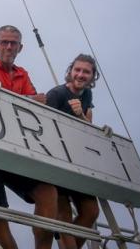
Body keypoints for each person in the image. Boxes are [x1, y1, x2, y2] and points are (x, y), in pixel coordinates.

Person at [0, 25, 57, 249]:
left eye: (13, 43)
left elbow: (37, 107)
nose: (8, 47)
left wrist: (29, 100)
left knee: (48, 192)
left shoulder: (24, 73)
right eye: (4, 42)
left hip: (20, 147)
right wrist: (29, 100)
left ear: (20, 47)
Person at [46, 54, 100, 249]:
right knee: (64, 216)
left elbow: (88, 127)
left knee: (91, 211)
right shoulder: (57, 94)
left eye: (86, 72)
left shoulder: (87, 96)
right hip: (57, 163)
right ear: (70, 71)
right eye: (77, 70)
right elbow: (45, 128)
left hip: (78, 163)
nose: (80, 74)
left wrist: (81, 117)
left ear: (92, 76)